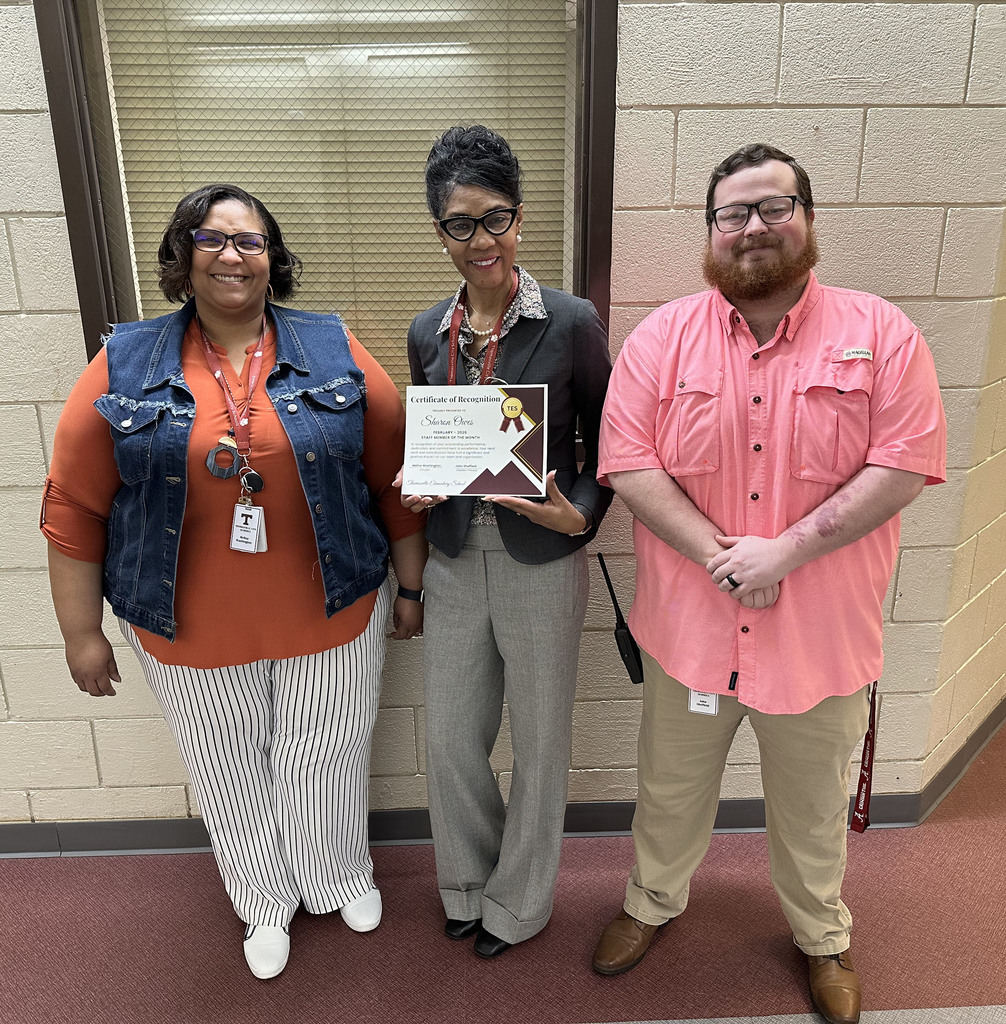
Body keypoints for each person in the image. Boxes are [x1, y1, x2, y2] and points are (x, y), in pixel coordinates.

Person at [592, 144, 945, 1024]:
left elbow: (904, 466)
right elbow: (627, 463)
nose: (752, 228)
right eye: (731, 214)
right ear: (710, 231)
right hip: (689, 634)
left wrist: (781, 553)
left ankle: (823, 935)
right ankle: (650, 903)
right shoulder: (661, 338)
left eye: (772, 208)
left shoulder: (882, 335)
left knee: (813, 807)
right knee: (668, 789)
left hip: (820, 641)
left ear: (809, 218)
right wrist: (726, 555)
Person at [41, 184, 427, 980]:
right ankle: (263, 897)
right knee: (227, 768)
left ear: (272, 260)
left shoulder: (331, 346)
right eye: (211, 239)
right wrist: (81, 634)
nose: (231, 255)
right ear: (182, 258)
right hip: (186, 628)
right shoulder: (124, 361)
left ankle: (337, 874)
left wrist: (412, 586)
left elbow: (394, 473)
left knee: (325, 751)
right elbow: (74, 504)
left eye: (250, 241)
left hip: (336, 609)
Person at [401, 125, 613, 958]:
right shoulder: (428, 331)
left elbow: (614, 447)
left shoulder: (571, 321)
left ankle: (520, 902)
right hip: (454, 555)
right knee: (450, 737)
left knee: (540, 738)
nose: (481, 240)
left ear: (519, 219)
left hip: (541, 558)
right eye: (461, 223)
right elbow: (439, 440)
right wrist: (422, 483)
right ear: (440, 231)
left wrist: (579, 516)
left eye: (496, 219)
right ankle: (465, 881)